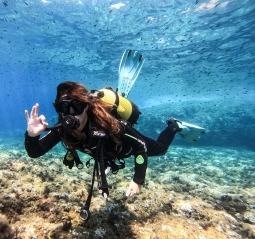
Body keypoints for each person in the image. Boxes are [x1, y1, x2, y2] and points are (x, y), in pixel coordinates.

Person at [24, 81, 180, 200]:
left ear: (86, 106)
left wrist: (137, 180)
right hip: (104, 154)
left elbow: (140, 146)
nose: (70, 114)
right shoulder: (63, 129)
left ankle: (174, 126)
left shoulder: (109, 124)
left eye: (76, 106)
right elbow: (35, 152)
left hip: (126, 149)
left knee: (161, 149)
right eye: (63, 107)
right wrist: (32, 136)